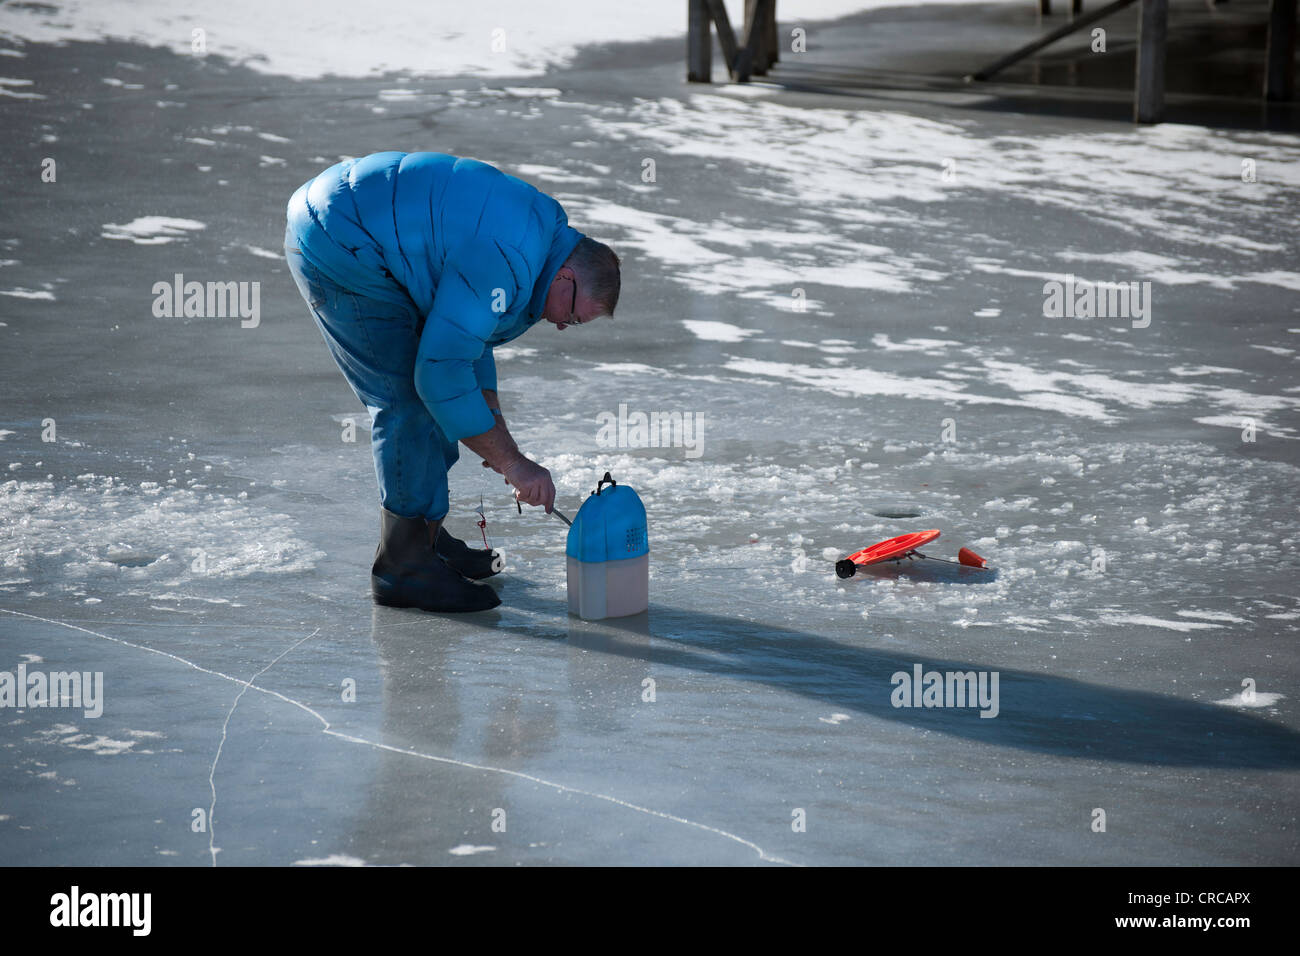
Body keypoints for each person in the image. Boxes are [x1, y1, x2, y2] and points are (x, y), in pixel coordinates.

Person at [284, 151, 620, 613]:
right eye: (573, 318)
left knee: (443, 403)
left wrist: (501, 439)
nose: (563, 326)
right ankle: (404, 566)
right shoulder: (512, 258)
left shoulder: (541, 243)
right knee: (411, 403)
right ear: (566, 277)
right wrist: (514, 464)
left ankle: (426, 538)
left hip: (356, 216)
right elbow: (440, 373)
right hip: (340, 239)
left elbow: (468, 346)